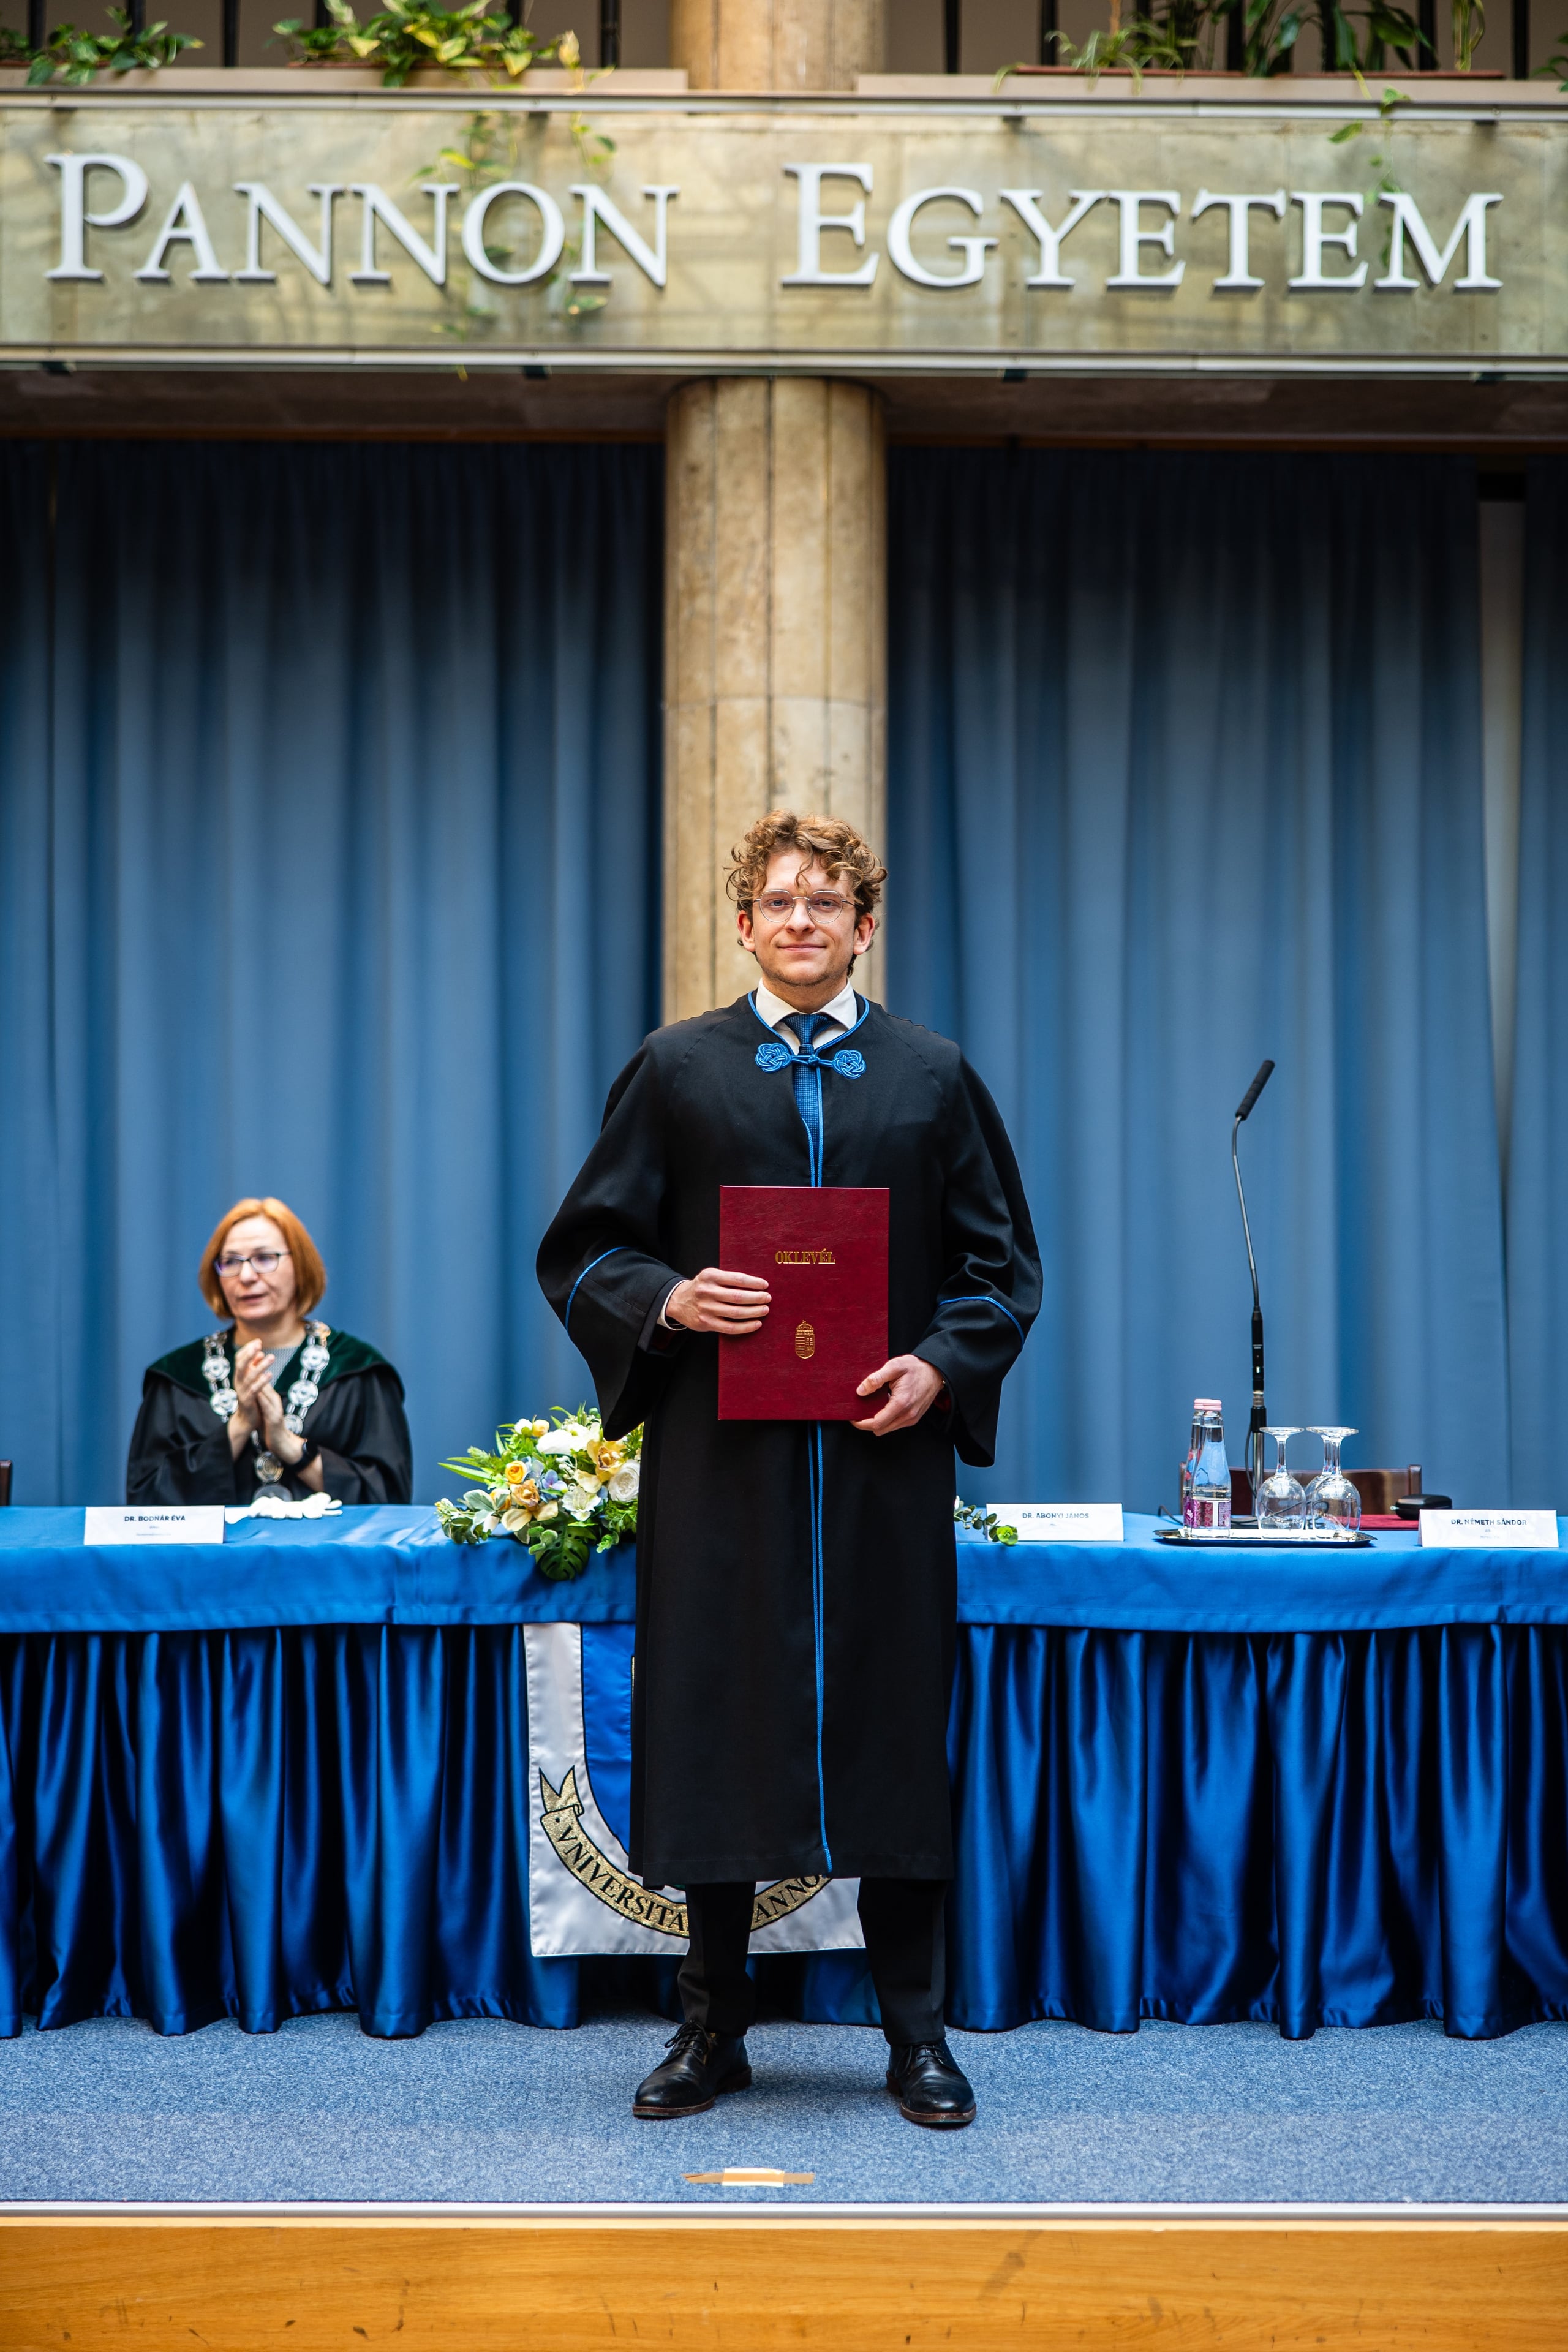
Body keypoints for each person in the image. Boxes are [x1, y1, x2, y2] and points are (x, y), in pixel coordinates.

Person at [538, 810, 1039, 2130]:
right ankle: (712, 2026)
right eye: (778, 902)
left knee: (891, 1729)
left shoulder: (930, 1075)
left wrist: (940, 1365)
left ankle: (916, 2033)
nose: (801, 921)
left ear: (864, 926)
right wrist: (668, 1298)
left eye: (826, 903)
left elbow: (998, 1266)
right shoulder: (676, 1068)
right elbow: (586, 1249)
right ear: (744, 924)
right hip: (724, 1467)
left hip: (880, 1467)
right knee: (718, 1724)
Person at [127, 1196, 413, 1506]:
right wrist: (239, 1426)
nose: (246, 1276)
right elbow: (146, 1503)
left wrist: (288, 1445)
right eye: (231, 1262)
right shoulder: (176, 1377)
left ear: (300, 1266)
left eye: (264, 1258)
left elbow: (389, 1500)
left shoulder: (359, 1370)